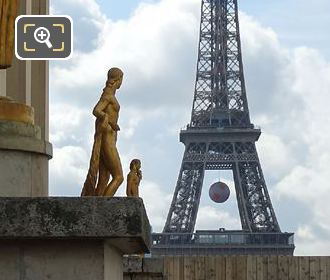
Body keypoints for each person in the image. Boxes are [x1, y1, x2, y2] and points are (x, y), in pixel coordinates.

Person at [81, 68, 124, 197]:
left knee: (104, 179)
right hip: (107, 139)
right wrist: (110, 122)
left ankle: (97, 204)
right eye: (122, 79)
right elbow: (96, 110)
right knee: (119, 176)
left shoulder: (110, 94)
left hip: (110, 137)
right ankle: (104, 206)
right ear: (118, 79)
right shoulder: (108, 95)